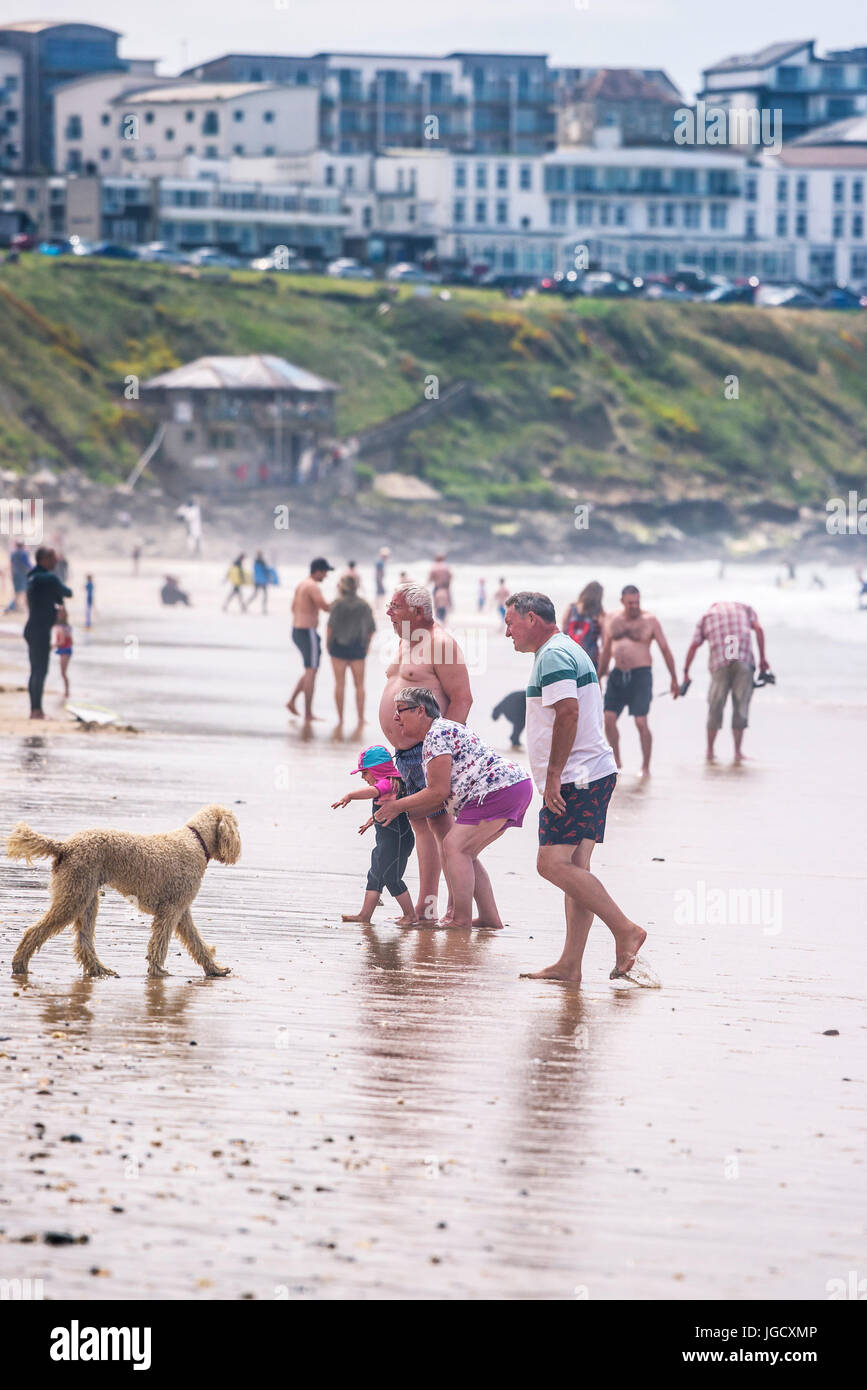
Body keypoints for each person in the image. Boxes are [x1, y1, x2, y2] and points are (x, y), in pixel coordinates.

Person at [504, 591, 646, 984]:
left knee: (551, 864)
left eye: (510, 622)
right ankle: (570, 965)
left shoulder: (552, 655)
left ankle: (625, 930)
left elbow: (568, 713)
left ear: (532, 619)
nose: (506, 632)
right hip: (593, 772)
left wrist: (553, 776)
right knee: (575, 868)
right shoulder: (565, 649)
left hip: (576, 777)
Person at [375, 687, 533, 930]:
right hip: (513, 786)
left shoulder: (435, 734)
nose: (395, 718)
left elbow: (438, 791)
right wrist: (399, 810)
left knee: (453, 846)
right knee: (465, 852)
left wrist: (396, 806)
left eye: (400, 711)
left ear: (420, 711)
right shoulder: (441, 731)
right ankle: (489, 918)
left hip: (497, 788)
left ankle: (461, 919)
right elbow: (440, 796)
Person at [379, 582, 472, 922]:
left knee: (444, 831)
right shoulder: (407, 643)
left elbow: (462, 698)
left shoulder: (442, 645)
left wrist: (442, 749)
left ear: (418, 612)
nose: (388, 612)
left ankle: (449, 908)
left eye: (395, 606)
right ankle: (428, 906)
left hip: (427, 750)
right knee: (424, 827)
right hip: (406, 752)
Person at [332, 744, 417, 926]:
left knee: (392, 878)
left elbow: (374, 792)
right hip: (389, 839)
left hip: (396, 841)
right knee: (375, 875)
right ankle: (365, 915)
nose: (363, 778)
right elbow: (385, 810)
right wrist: (372, 821)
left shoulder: (387, 783)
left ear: (376, 770)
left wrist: (349, 795)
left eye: (365, 773)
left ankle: (411, 915)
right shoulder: (391, 784)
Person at [598, 584, 679, 776]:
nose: (634, 606)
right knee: (608, 719)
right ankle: (616, 760)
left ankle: (645, 767)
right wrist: (598, 676)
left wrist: (674, 679)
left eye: (637, 602)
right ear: (622, 601)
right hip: (617, 674)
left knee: (641, 722)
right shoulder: (612, 618)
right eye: (630, 603)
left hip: (640, 675)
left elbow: (665, 650)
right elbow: (606, 651)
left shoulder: (649, 620)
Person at [682, 600, 769, 764]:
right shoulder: (745, 609)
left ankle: (710, 750)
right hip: (743, 661)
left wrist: (686, 672)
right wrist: (763, 659)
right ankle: (737, 752)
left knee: (715, 706)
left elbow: (694, 645)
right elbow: (759, 629)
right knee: (741, 706)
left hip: (719, 663)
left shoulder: (707, 616)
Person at [23, 547, 72, 720]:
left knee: (35, 670)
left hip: (32, 628)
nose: (56, 561)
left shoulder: (32, 576)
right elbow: (68, 592)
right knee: (40, 671)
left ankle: (35, 709)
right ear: (44, 559)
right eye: (53, 558)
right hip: (40, 630)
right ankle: (36, 711)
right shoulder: (49, 578)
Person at [327, 574, 377, 733]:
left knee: (340, 684)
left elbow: (330, 627)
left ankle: (340, 719)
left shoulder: (337, 604)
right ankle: (361, 718)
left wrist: (328, 645)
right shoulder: (364, 605)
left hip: (338, 648)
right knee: (359, 685)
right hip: (357, 647)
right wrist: (367, 646)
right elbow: (371, 629)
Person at [288, 557, 333, 722]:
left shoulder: (301, 584)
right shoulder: (313, 586)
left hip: (297, 630)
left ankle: (292, 701)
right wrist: (343, 602)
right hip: (308, 632)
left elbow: (293, 607)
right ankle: (308, 713)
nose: (326, 576)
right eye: (325, 572)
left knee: (309, 670)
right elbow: (325, 607)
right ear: (318, 571)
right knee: (311, 671)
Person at [561, 580, 604, 669]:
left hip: (568, 655)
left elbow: (563, 631)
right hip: (589, 658)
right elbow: (604, 639)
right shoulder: (599, 613)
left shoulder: (571, 608)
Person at [4, 542, 31, 614]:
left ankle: (15, 607)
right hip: (22, 575)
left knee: (18, 592)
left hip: (16, 575)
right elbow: (27, 563)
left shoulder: (13, 554)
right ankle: (13, 607)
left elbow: (11, 564)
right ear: (22, 546)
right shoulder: (23, 553)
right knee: (24, 592)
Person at [53, 604, 73, 698]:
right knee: (63, 673)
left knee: (63, 673)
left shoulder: (61, 627)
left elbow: (61, 641)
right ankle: (66, 691)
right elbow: (71, 641)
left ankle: (67, 692)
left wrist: (51, 646)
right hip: (67, 650)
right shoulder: (67, 626)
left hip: (64, 650)